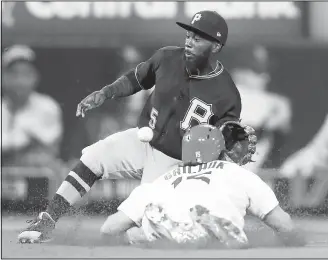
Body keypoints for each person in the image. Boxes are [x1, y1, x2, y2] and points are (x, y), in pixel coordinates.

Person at [18, 10, 256, 243]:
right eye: (188, 35)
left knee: (144, 229)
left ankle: (202, 229)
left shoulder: (227, 93)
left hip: (175, 165)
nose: (189, 42)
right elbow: (137, 78)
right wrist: (106, 92)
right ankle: (46, 221)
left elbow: (226, 134)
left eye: (198, 38)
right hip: (143, 141)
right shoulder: (167, 57)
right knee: (94, 156)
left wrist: (236, 144)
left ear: (215, 46)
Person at [99, 124, 304, 248]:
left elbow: (109, 228)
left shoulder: (160, 181)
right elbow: (284, 225)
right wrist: (295, 241)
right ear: (220, 150)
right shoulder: (238, 174)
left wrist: (129, 238)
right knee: (236, 237)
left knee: (137, 233)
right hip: (217, 231)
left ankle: (166, 230)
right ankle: (207, 230)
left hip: (169, 233)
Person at [2, 45, 64, 188]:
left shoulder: (47, 106)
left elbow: (50, 149)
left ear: (35, 77)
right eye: (13, 74)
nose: (20, 81)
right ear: (3, 77)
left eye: (26, 74)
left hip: (38, 186)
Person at [231, 45, 292, 173]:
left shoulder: (273, 101)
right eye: (257, 71)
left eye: (266, 70)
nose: (265, 77)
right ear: (238, 73)